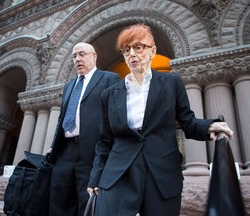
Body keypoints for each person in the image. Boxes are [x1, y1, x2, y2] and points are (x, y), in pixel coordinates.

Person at [87, 24, 234, 216]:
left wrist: (209, 126)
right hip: (119, 174)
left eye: (138, 47)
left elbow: (187, 122)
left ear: (152, 51)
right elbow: (105, 141)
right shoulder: (109, 94)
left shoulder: (171, 83)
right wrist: (95, 178)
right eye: (126, 49)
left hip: (161, 173)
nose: (132, 54)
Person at [48, 42, 120, 216]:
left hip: (93, 150)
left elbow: (115, 117)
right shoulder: (69, 85)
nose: (77, 59)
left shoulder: (110, 79)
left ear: (94, 56)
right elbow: (62, 118)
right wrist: (53, 145)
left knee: (87, 201)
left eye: (82, 54)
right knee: (59, 199)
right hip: (65, 150)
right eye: (74, 56)